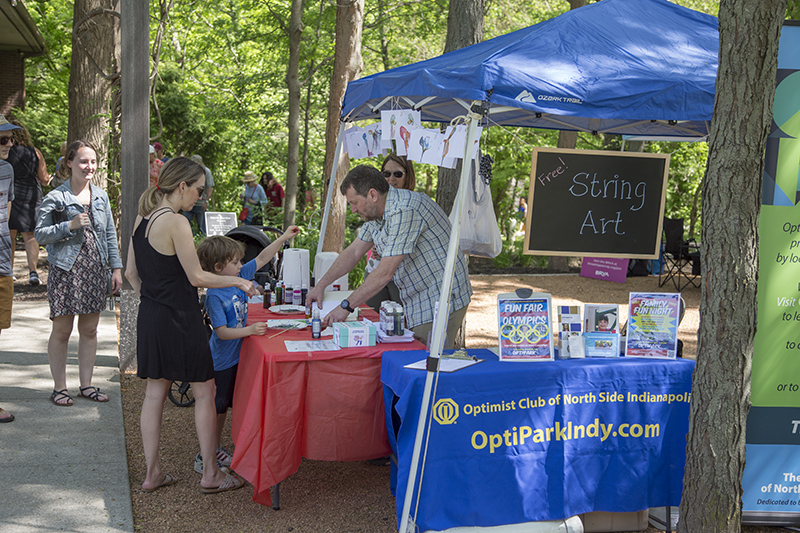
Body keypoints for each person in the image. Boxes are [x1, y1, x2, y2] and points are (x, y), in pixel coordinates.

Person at [125, 156, 251, 494]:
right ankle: (210, 473)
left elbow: (130, 274)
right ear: (181, 186)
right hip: (181, 318)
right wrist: (237, 283)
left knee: (154, 393)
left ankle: (153, 474)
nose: (200, 197)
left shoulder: (142, 217)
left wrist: (154, 300)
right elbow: (196, 276)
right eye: (198, 190)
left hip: (150, 316)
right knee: (205, 391)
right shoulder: (176, 222)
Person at [307, 164, 472, 349]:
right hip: (416, 295)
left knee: (426, 362)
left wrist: (346, 306)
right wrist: (320, 285)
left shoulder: (404, 210)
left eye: (354, 202)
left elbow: (385, 272)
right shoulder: (376, 212)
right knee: (413, 357)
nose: (353, 209)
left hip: (440, 295)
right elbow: (353, 253)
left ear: (372, 195)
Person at [194, 225, 299, 473]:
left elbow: (262, 258)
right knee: (217, 408)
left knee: (225, 406)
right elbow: (221, 332)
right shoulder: (215, 296)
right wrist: (249, 332)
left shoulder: (238, 279)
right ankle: (205, 454)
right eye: (235, 261)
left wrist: (283, 238)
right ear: (219, 268)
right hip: (221, 361)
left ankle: (214, 448)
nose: (242, 265)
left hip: (233, 358)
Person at [34, 140, 123, 406]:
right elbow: (39, 234)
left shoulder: (101, 196)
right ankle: (59, 388)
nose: (89, 167)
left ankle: (86, 385)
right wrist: (68, 225)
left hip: (94, 269)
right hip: (65, 270)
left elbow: (109, 234)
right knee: (62, 331)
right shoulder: (56, 197)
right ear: (70, 162)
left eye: (93, 161)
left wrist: (116, 268)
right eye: (84, 161)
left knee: (90, 330)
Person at [364, 154, 416, 311]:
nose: (391, 179)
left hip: (403, 276)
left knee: (400, 326)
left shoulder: (413, 204)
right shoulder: (375, 202)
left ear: (408, 176)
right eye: (386, 174)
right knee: (372, 320)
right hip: (375, 271)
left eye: (397, 174)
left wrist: (385, 250)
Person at [7, 119, 50, 286]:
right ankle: (33, 272)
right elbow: (45, 179)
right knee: (30, 235)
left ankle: (8, 272)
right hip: (31, 194)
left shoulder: (5, 152)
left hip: (10, 194)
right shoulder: (35, 152)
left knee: (9, 235)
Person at [0, 115, 20, 423]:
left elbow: (7, 211)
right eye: (3, 139)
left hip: (2, 262)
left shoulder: (7, 169)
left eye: (10, 139)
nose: (10, 143)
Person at [181, 154, 214, 235]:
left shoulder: (206, 172)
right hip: (189, 201)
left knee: (203, 226)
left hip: (201, 202)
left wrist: (206, 201)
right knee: (185, 221)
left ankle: (202, 240)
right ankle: (189, 236)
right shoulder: (189, 171)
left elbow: (210, 187)